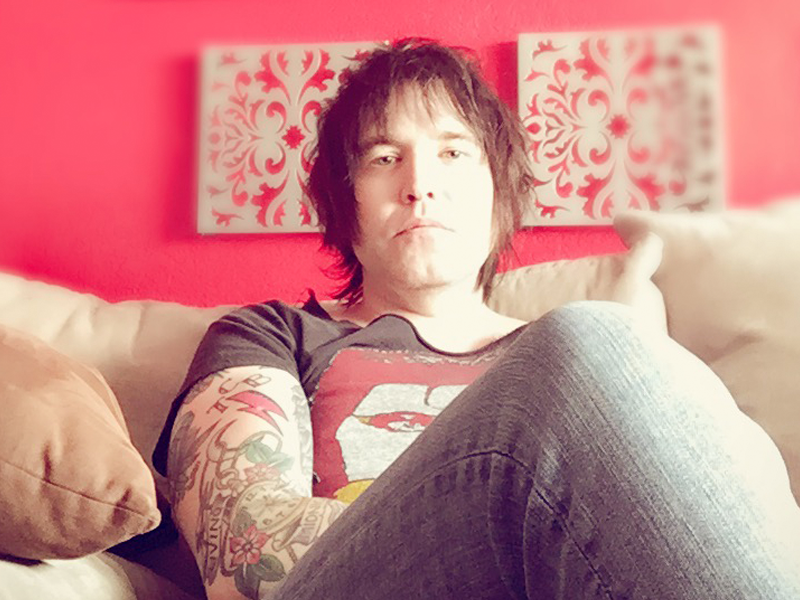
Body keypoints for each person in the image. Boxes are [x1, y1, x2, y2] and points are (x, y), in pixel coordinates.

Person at [153, 39, 800, 600]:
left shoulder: (574, 373)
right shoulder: (271, 335)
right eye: (384, 158)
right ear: (344, 204)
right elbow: (246, 560)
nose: (419, 184)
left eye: (454, 153)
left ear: (499, 194)